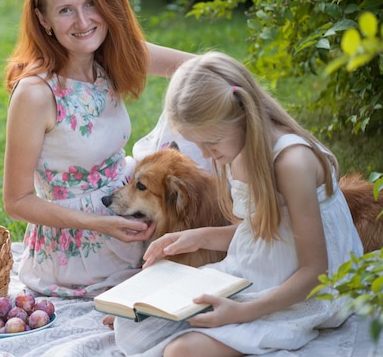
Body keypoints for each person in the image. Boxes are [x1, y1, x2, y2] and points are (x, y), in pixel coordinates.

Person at [114, 51, 364, 357]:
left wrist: (241, 313)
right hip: (264, 267)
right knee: (131, 327)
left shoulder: (292, 163)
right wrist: (198, 237)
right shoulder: (239, 148)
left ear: (242, 117)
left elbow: (315, 270)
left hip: (306, 291)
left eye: (210, 144)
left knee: (181, 351)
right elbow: (266, 232)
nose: (205, 155)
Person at [2, 0, 204, 298]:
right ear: (44, 19)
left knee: (193, 132)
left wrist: (279, 136)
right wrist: (101, 224)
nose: (83, 21)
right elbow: (16, 201)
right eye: (66, 10)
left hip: (130, 201)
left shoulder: (108, 56)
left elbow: (202, 71)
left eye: (91, 4)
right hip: (81, 245)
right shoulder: (35, 94)